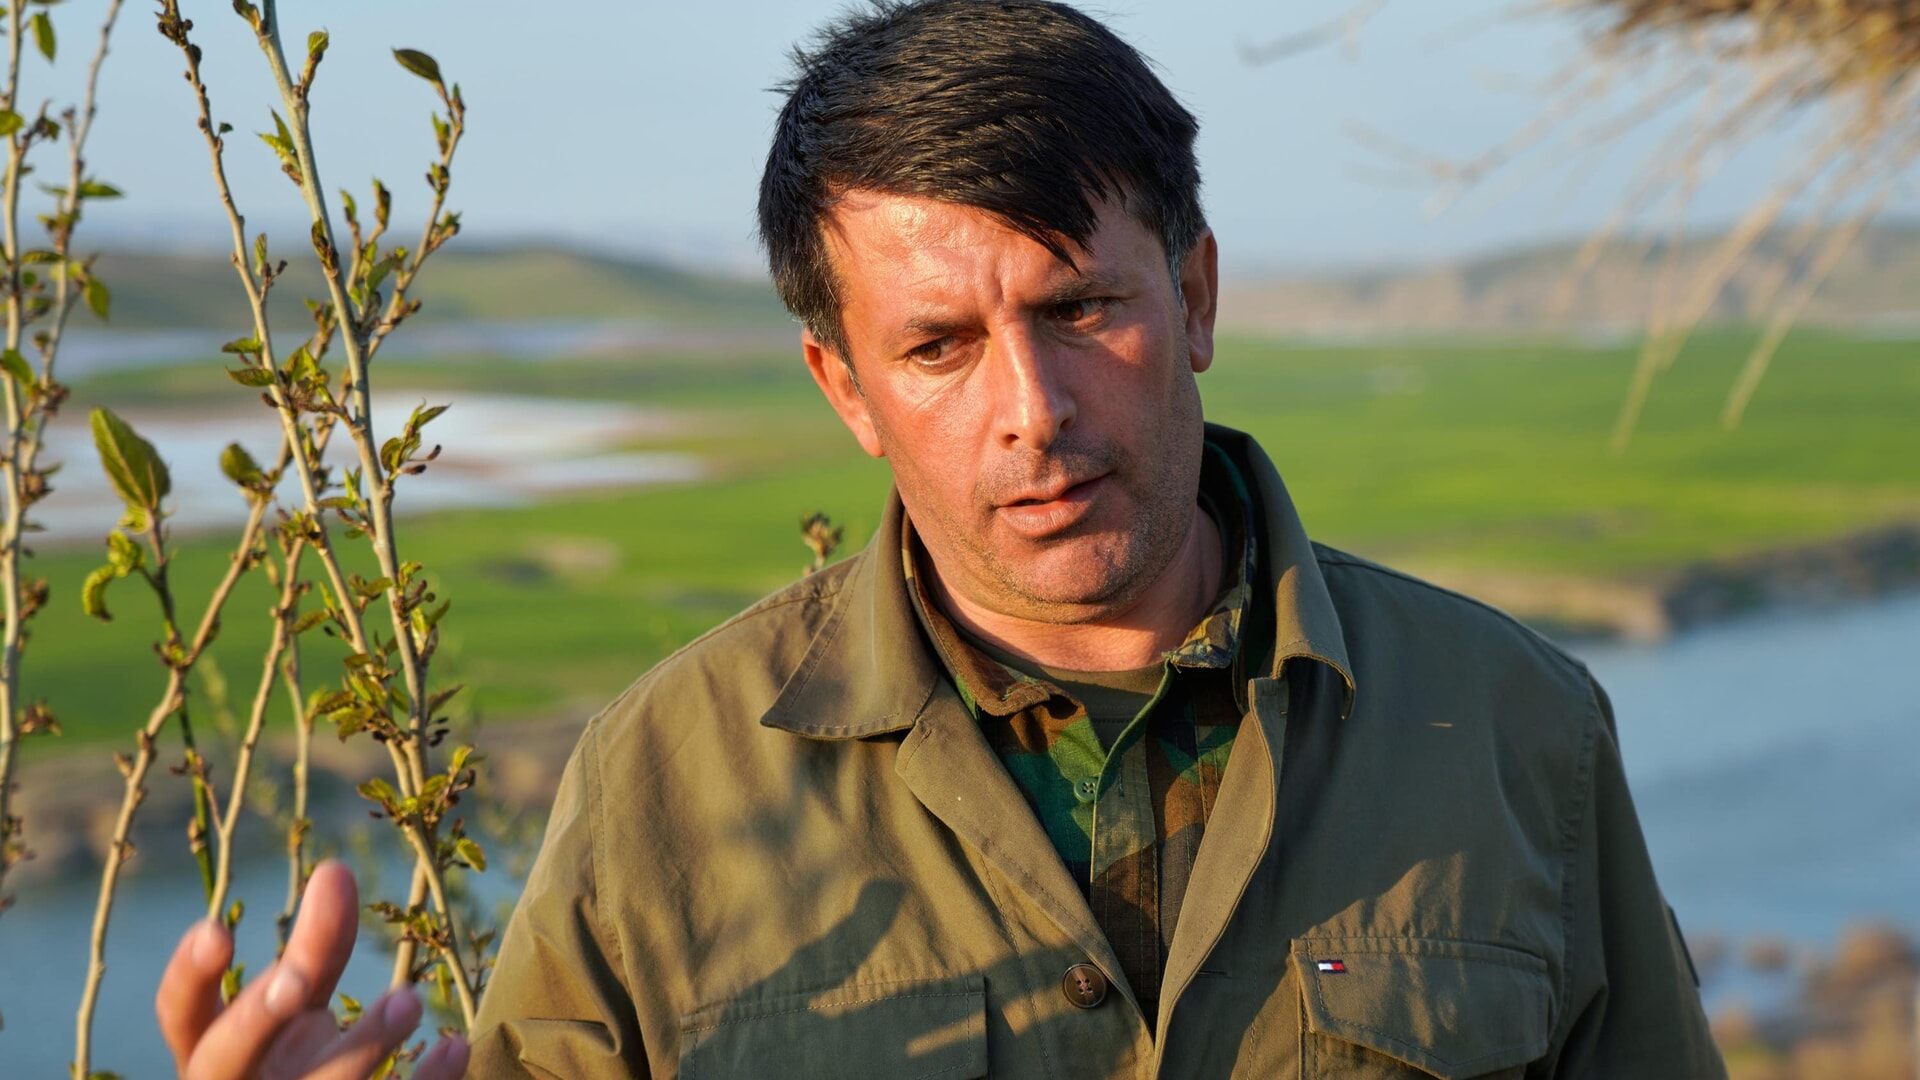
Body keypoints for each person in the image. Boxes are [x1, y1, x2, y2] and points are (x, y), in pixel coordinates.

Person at [157, 1, 1727, 1076]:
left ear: (1196, 297)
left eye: (1079, 307)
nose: (1030, 409)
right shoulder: (662, 784)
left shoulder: (1515, 724)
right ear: (843, 385)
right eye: (938, 348)